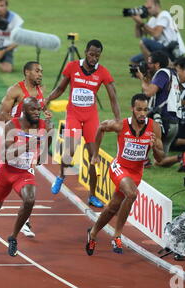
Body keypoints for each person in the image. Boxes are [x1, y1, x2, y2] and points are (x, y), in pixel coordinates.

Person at [0, 61, 49, 237]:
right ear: (27, 72)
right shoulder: (15, 90)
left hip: (30, 134)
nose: (40, 74)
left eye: (41, 71)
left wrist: (44, 113)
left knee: (29, 172)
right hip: (12, 132)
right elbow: (1, 114)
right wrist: (20, 121)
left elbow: (39, 107)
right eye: (37, 71)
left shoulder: (41, 89)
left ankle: (26, 221)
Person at [0, 97, 52, 261]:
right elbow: (6, 156)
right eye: (32, 110)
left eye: (38, 109)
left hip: (24, 173)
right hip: (6, 171)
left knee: (30, 200)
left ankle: (13, 237)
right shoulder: (12, 125)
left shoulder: (43, 126)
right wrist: (29, 144)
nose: (36, 113)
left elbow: (41, 159)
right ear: (24, 111)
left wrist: (48, 134)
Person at [85, 93, 165, 255]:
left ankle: (92, 232)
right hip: (119, 167)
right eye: (139, 109)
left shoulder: (154, 128)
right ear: (132, 109)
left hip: (136, 173)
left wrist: (155, 147)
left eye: (145, 110)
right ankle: (117, 235)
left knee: (113, 207)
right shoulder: (121, 125)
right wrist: (95, 154)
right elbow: (101, 127)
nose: (142, 113)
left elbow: (160, 158)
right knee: (131, 194)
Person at [47, 39, 121, 208]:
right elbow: (60, 89)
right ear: (86, 52)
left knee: (93, 157)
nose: (94, 58)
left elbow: (113, 96)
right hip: (73, 114)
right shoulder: (72, 66)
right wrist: (47, 99)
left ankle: (92, 195)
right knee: (70, 150)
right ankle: (60, 176)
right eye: (91, 54)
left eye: (97, 55)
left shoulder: (102, 72)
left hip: (90, 117)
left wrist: (118, 119)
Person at [136, 50, 185, 171]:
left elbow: (148, 92)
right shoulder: (173, 75)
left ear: (157, 64)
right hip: (174, 123)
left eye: (149, 63)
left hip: (162, 120)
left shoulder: (162, 73)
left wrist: (141, 79)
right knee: (159, 161)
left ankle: (144, 160)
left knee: (137, 123)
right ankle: (181, 157)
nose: (147, 65)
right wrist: (147, 77)